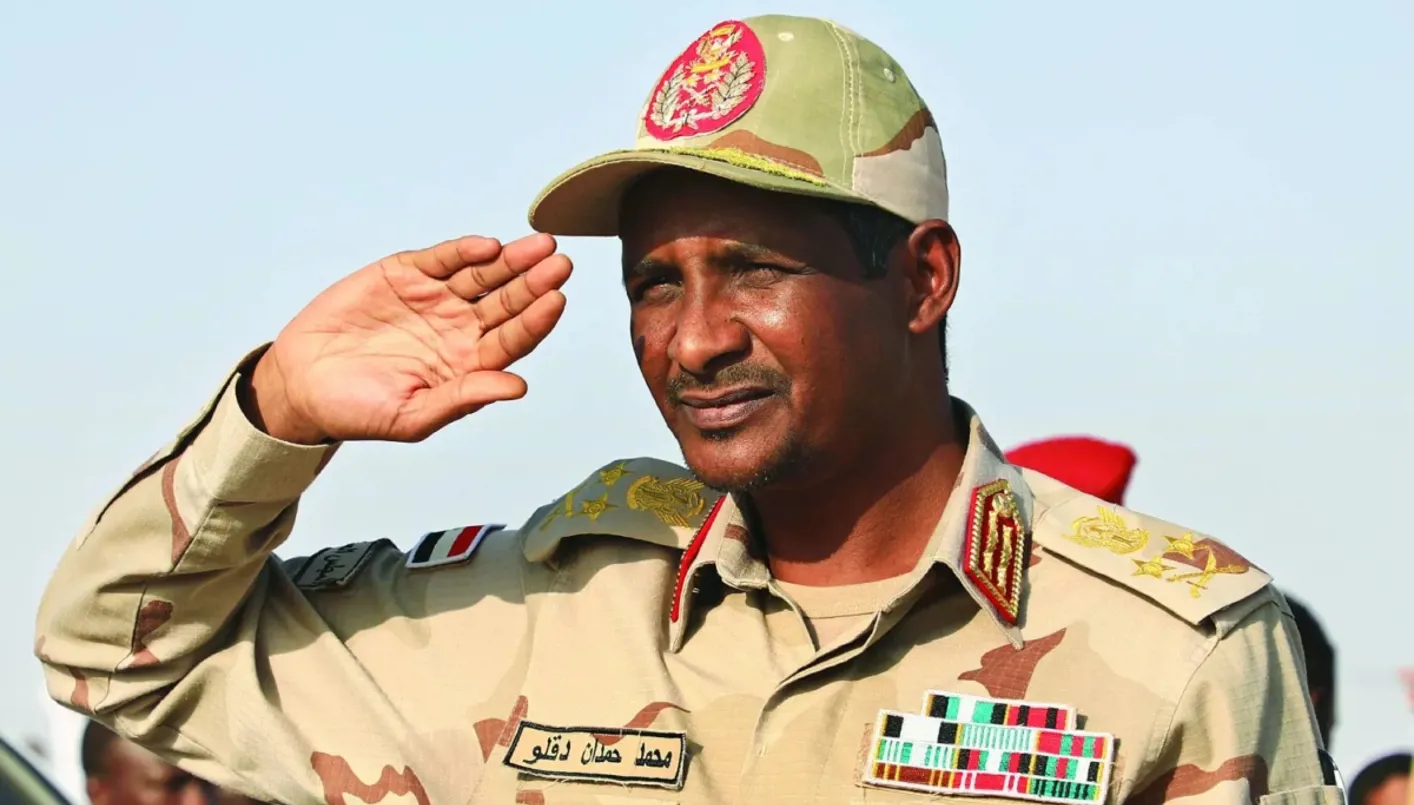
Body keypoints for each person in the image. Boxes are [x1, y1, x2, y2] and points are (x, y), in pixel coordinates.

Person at [34, 14, 1340, 805]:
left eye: (755, 270)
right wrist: (275, 415)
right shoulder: (535, 618)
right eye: (655, 282)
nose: (695, 339)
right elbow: (118, 654)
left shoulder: (1171, 648)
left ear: (922, 279)